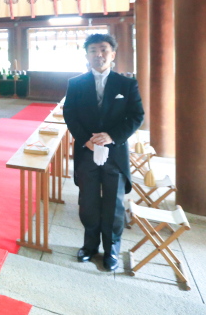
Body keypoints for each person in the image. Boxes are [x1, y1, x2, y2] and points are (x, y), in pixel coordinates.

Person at [63, 33, 144, 272]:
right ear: (86, 55)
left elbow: (136, 116)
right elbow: (70, 115)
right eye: (93, 51)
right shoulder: (75, 83)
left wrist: (112, 136)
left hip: (115, 154)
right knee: (88, 202)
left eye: (103, 50)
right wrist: (85, 140)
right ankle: (89, 247)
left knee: (114, 205)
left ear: (113, 54)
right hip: (87, 152)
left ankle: (111, 251)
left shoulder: (127, 84)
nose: (98, 55)